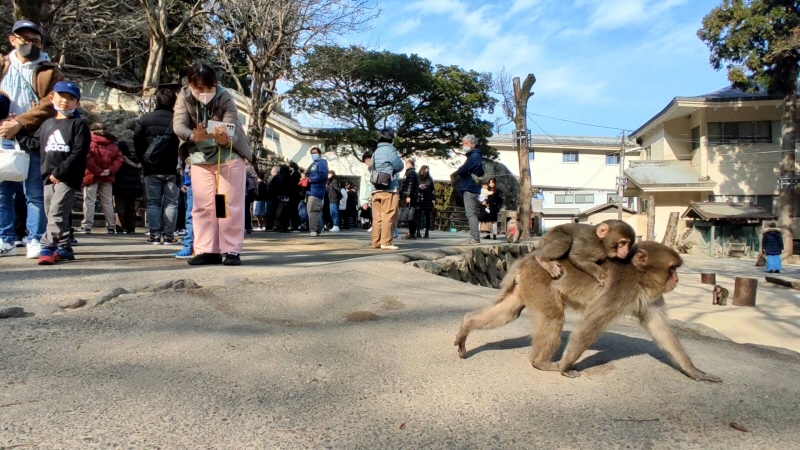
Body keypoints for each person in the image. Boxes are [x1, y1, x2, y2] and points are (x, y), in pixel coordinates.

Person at [173, 62, 252, 266]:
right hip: (200, 158)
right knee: (203, 205)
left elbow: (232, 123)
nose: (205, 92)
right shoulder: (184, 97)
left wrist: (224, 139)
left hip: (229, 156)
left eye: (210, 88)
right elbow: (178, 125)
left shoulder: (225, 96)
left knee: (227, 204)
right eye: (199, 88)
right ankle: (207, 249)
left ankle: (231, 249)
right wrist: (193, 135)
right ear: (190, 84)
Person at [0, 21, 65, 259]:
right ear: (12, 39)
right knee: (3, 191)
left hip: (33, 135)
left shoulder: (49, 70)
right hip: (3, 134)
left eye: (35, 40)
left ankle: (35, 238)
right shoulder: (3, 64)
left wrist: (21, 121)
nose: (30, 44)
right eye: (24, 39)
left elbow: (52, 103)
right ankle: (5, 238)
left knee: (34, 192)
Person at [34, 81, 90, 265]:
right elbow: (35, 143)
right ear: (52, 98)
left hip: (68, 177)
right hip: (48, 176)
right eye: (61, 96)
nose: (65, 101)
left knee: (57, 211)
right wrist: (15, 130)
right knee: (52, 212)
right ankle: (64, 246)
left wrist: (59, 172)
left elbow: (79, 153)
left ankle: (47, 246)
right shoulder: (47, 124)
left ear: (78, 103)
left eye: (71, 98)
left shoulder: (78, 125)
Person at [133, 88, 180, 245]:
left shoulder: (145, 119)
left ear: (157, 101)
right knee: (171, 202)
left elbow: (137, 142)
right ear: (174, 101)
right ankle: (169, 236)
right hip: (172, 168)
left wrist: (144, 160)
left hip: (151, 168)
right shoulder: (177, 120)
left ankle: (154, 235)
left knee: (153, 202)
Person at [80, 123, 123, 234]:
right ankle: (111, 226)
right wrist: (109, 170)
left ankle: (87, 226)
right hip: (107, 176)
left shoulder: (88, 141)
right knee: (107, 202)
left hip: (91, 175)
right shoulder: (113, 144)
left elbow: (87, 158)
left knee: (89, 201)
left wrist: (98, 171)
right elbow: (119, 158)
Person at [370, 128, 404, 250]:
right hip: (389, 188)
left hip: (375, 188)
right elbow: (399, 166)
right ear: (391, 138)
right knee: (388, 215)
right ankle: (386, 242)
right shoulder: (390, 151)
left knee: (377, 217)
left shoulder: (375, 152)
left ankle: (376, 242)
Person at [455, 134, 484, 245]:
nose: (464, 145)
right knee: (472, 213)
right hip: (474, 187)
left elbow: (462, 170)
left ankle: (475, 238)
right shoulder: (476, 156)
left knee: (470, 213)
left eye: (466, 143)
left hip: (470, 187)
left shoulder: (474, 156)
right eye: (463, 143)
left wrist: (460, 170)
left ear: (473, 144)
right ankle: (474, 236)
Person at [112, 142, 143, 234]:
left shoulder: (118, 160)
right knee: (131, 207)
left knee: (120, 207)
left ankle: (120, 227)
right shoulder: (135, 160)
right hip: (133, 188)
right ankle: (131, 227)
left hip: (120, 187)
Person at [305, 147, 328, 236]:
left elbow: (323, 175)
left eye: (315, 152)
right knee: (313, 210)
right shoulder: (313, 164)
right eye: (312, 153)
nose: (313, 154)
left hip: (316, 190)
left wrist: (312, 179)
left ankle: (314, 229)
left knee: (314, 210)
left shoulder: (321, 163)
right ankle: (317, 228)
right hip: (311, 190)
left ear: (319, 153)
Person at [173, 160, 194, 259]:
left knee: (191, 216)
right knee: (190, 216)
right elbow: (179, 170)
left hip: (196, 183)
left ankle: (189, 246)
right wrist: (181, 184)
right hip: (189, 186)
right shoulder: (183, 158)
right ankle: (189, 246)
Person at [400, 158, 419, 240]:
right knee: (412, 214)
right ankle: (412, 232)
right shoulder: (413, 172)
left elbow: (410, 185)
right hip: (413, 196)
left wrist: (408, 195)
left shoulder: (411, 173)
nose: (405, 166)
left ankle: (412, 233)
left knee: (411, 214)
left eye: (406, 164)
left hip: (411, 196)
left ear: (409, 164)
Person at [416, 164, 435, 239]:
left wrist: (433, 199)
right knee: (418, 215)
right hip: (420, 197)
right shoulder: (418, 178)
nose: (427, 171)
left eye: (428, 169)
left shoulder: (430, 179)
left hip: (428, 198)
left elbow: (433, 189)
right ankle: (418, 231)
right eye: (426, 169)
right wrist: (419, 187)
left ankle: (427, 232)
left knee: (427, 215)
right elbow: (415, 187)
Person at [359, 151, 374, 231]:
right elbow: (363, 187)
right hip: (371, 198)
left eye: (369, 159)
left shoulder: (379, 169)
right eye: (366, 160)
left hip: (380, 195)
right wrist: (364, 201)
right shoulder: (365, 173)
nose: (368, 162)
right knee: (373, 214)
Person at [245, 159, 258, 234]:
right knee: (246, 209)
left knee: (245, 209)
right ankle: (247, 226)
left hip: (245, 191)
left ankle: (247, 226)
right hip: (247, 191)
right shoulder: (249, 168)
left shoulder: (247, 168)